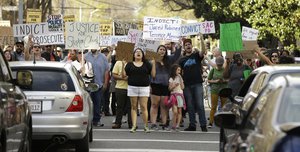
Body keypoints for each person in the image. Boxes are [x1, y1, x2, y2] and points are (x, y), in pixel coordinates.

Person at [178, 34, 208, 132]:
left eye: (189, 44)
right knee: (190, 105)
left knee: (199, 105)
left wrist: (202, 39)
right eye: (186, 45)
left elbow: (203, 51)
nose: (188, 46)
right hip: (186, 85)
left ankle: (203, 125)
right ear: (184, 47)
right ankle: (192, 125)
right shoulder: (181, 59)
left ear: (191, 46)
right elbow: (178, 71)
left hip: (197, 84)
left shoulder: (196, 55)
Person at [123, 48, 156, 133]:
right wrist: (123, 65)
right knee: (134, 107)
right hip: (132, 87)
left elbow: (153, 75)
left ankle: (145, 126)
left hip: (144, 87)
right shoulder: (130, 64)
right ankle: (134, 126)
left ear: (142, 55)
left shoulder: (147, 64)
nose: (138, 53)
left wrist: (154, 64)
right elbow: (124, 76)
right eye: (136, 52)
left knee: (144, 107)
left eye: (140, 52)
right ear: (133, 55)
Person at [150, 44, 181, 130]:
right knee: (154, 104)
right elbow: (150, 75)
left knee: (164, 105)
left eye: (164, 49)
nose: (162, 51)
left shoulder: (169, 59)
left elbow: (177, 55)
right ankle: (153, 123)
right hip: (155, 84)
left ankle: (164, 123)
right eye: (160, 49)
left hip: (165, 85)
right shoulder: (152, 61)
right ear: (157, 51)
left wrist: (178, 46)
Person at [85, 49, 110, 127]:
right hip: (88, 85)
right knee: (88, 104)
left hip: (98, 84)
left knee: (97, 103)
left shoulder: (103, 57)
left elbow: (106, 71)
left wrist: (105, 83)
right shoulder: (86, 56)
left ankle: (96, 120)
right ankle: (88, 120)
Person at [207, 56, 228, 128]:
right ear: (216, 63)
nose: (219, 66)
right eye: (218, 64)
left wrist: (224, 81)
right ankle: (210, 122)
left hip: (223, 89)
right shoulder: (213, 70)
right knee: (213, 107)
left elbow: (229, 79)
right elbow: (208, 80)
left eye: (220, 64)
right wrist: (215, 81)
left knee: (224, 107)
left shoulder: (225, 70)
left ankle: (223, 122)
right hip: (215, 90)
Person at [111, 59, 132, 129]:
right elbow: (114, 74)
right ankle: (117, 123)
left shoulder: (133, 62)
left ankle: (131, 123)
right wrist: (122, 78)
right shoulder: (118, 62)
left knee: (131, 107)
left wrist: (129, 78)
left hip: (131, 88)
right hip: (120, 87)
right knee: (119, 106)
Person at [168, 64, 185, 131]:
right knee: (174, 111)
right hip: (173, 95)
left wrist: (180, 78)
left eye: (180, 70)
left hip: (180, 95)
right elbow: (169, 89)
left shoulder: (180, 78)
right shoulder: (171, 78)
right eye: (178, 70)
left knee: (179, 110)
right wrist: (174, 86)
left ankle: (177, 125)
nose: (179, 71)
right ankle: (173, 124)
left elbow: (183, 87)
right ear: (174, 70)